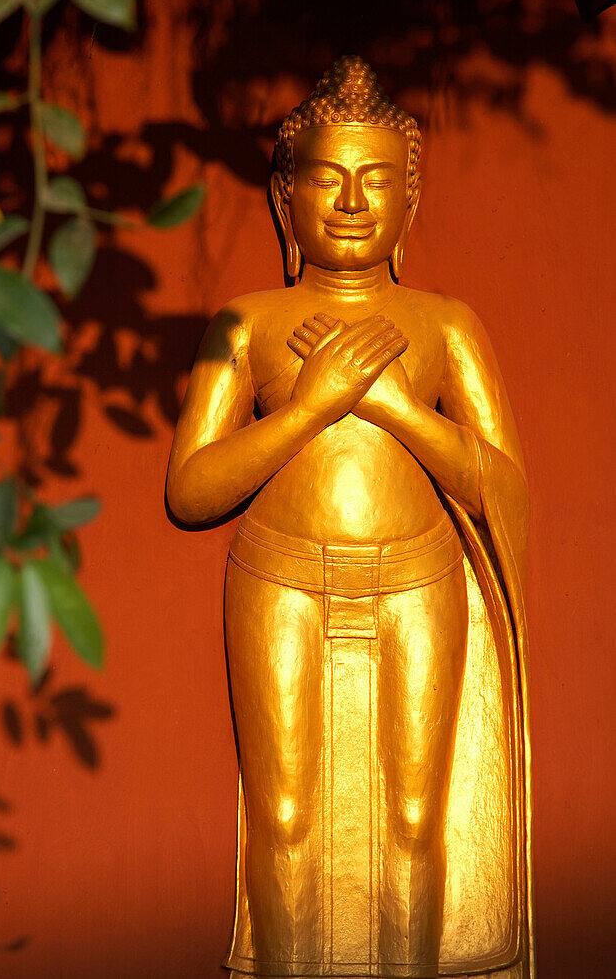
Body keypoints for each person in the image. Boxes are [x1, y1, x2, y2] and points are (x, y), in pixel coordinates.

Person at [167, 57, 534, 979]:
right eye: (325, 177)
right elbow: (191, 489)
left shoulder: (445, 324)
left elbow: (500, 486)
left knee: (414, 820)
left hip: (418, 581)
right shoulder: (245, 324)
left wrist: (394, 407)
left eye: (375, 178)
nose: (349, 201)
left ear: (411, 200)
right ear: (283, 198)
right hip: (277, 576)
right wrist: (308, 406)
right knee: (283, 819)